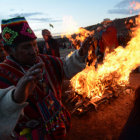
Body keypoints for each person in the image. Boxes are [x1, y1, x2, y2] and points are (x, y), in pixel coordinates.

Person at [0, 17, 91, 140]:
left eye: (34, 44)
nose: (34, 51)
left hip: (59, 128)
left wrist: (80, 54)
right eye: (26, 47)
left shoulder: (45, 60)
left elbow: (65, 69)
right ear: (9, 50)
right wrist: (15, 98)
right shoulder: (3, 73)